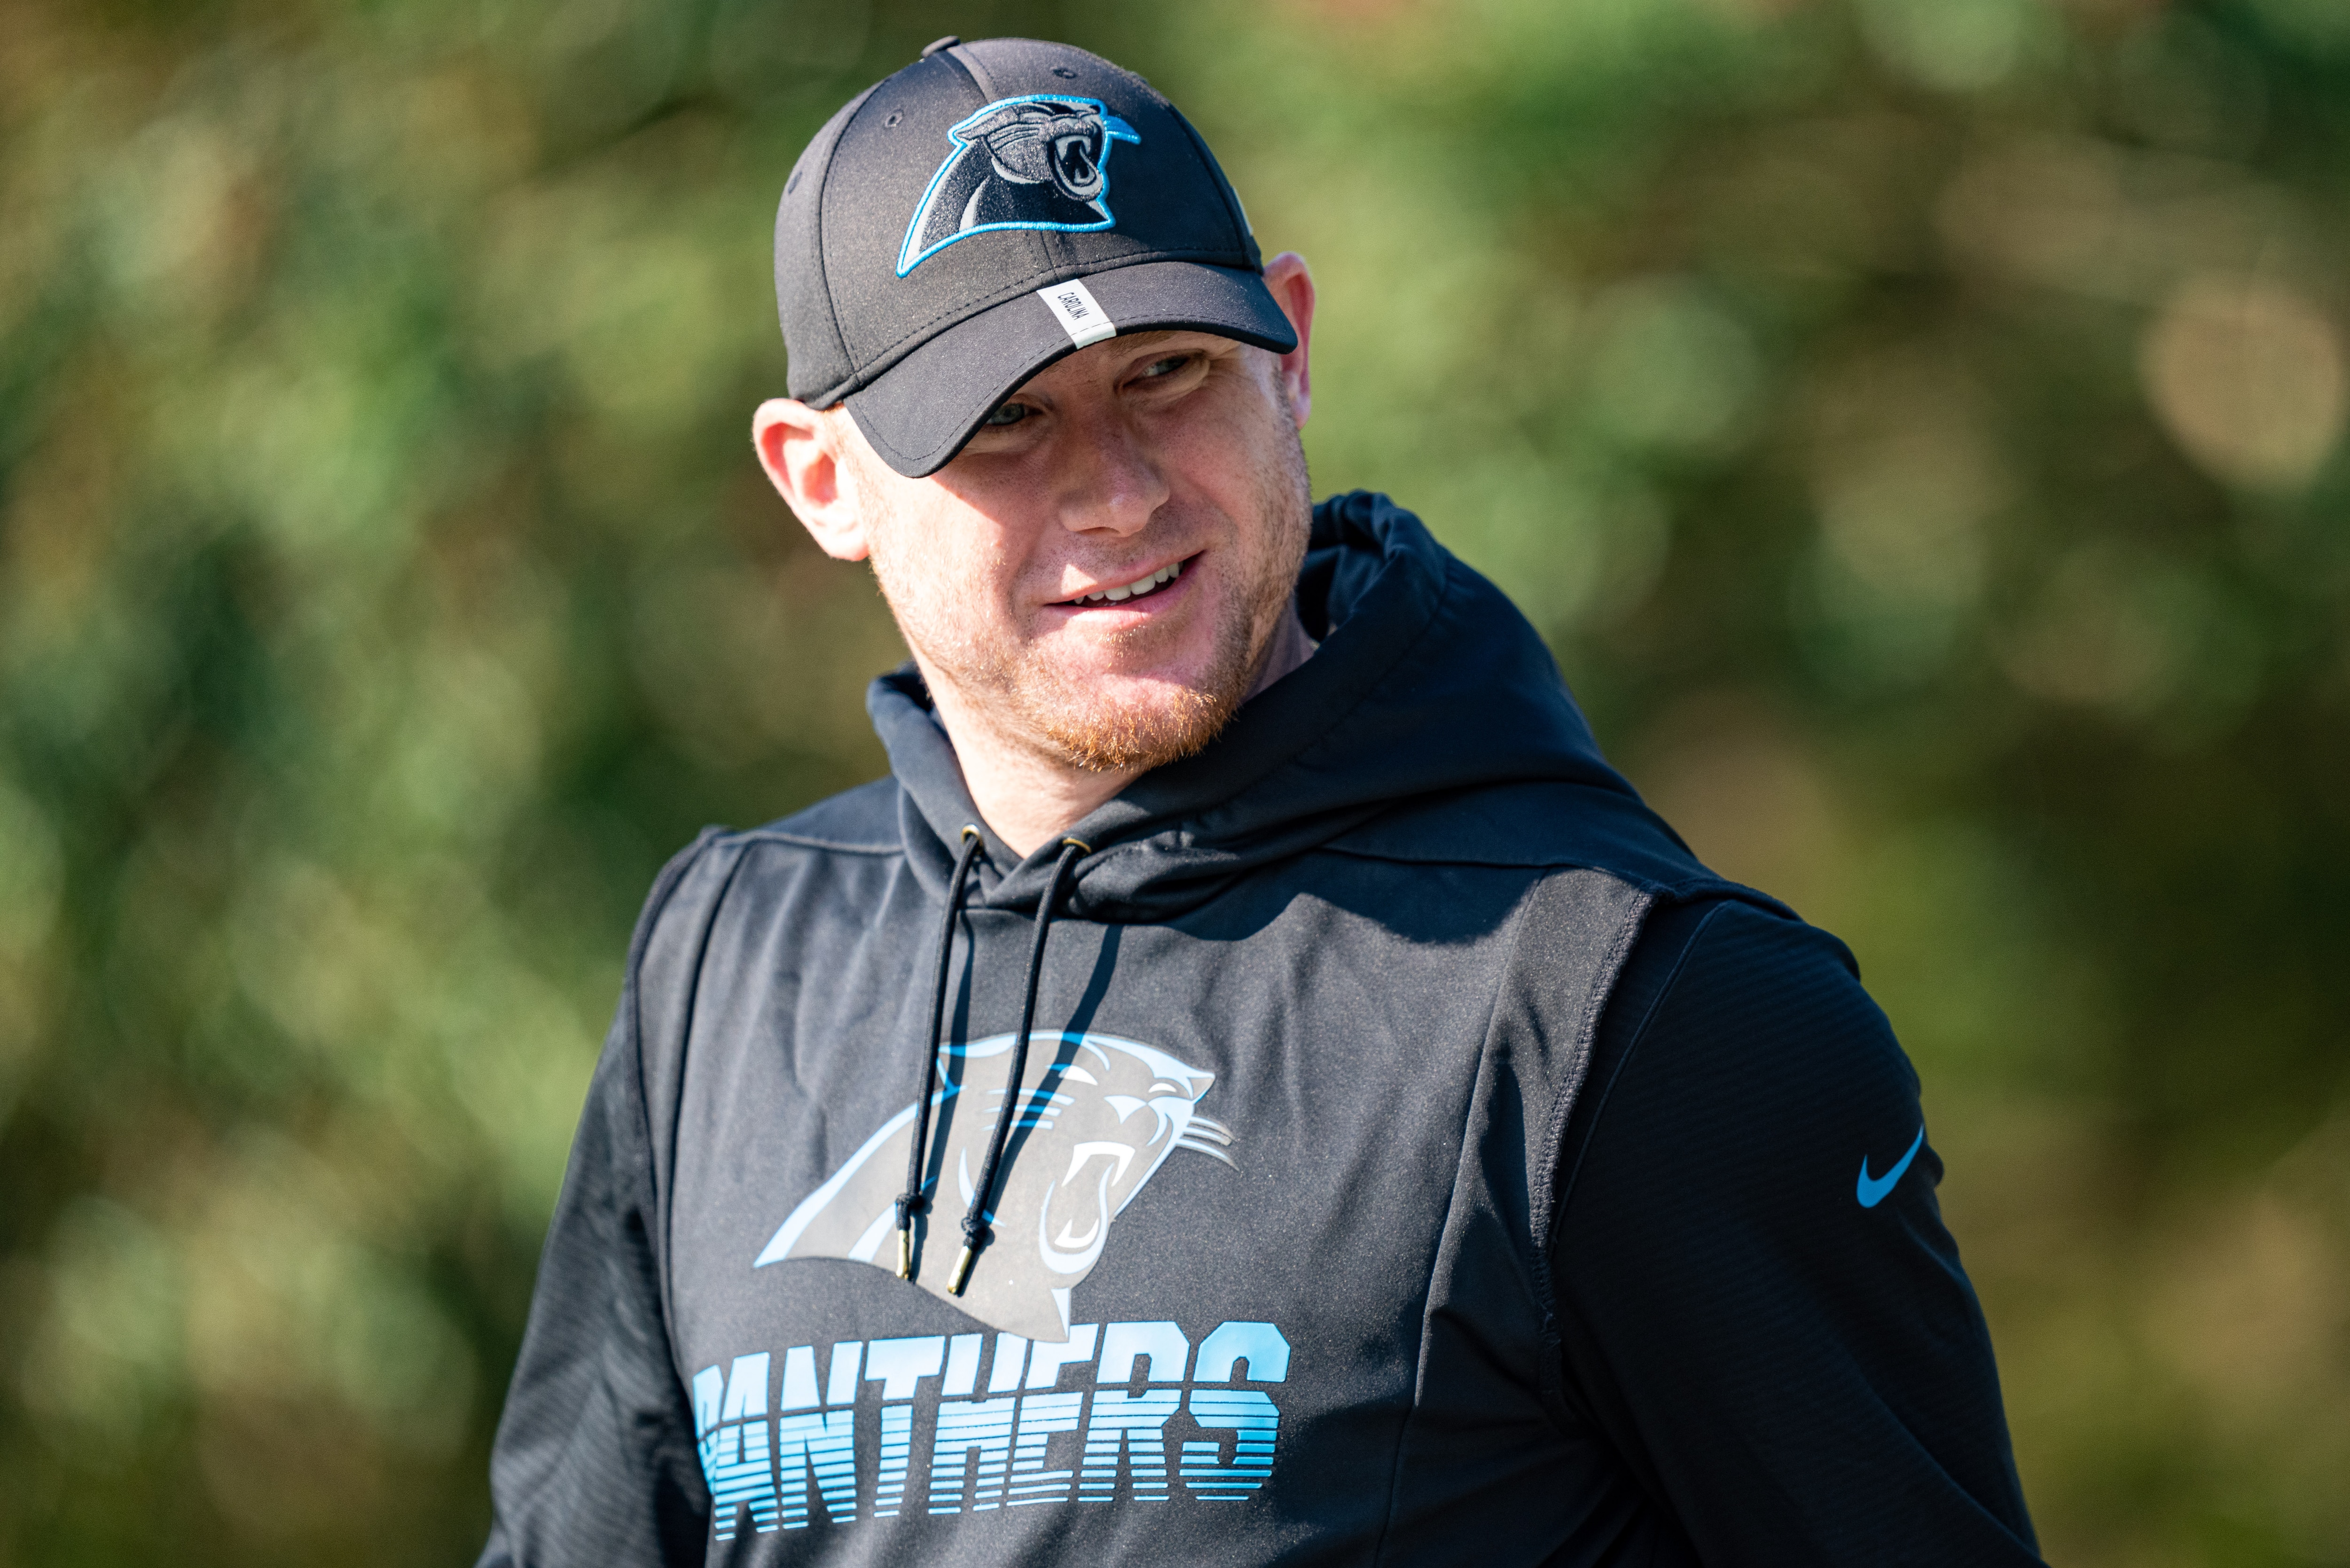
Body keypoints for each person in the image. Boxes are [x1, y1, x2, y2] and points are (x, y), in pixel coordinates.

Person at [478, 35, 2044, 1568]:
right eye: (1005, 420)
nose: (1120, 491)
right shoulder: (727, 958)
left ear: (1288, 351)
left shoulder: (1635, 1005)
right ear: (820, 480)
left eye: (1167, 374)